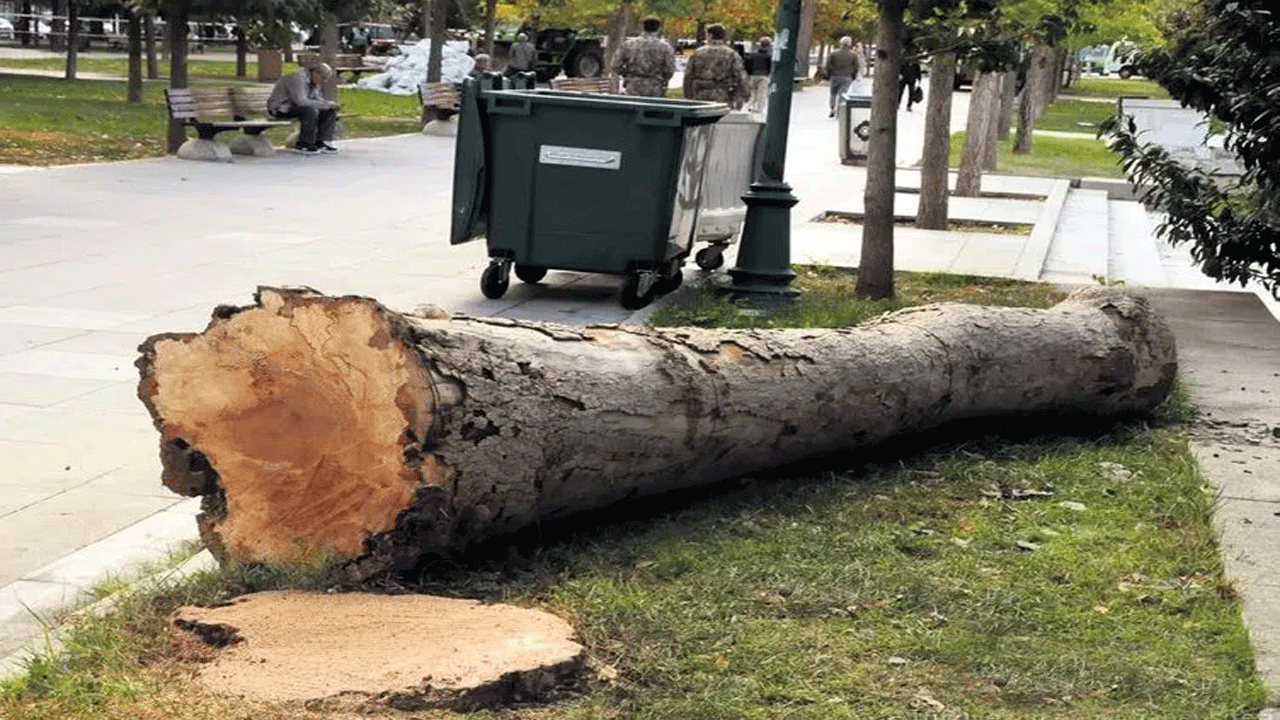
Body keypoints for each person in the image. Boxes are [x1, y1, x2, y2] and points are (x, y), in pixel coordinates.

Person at [268, 62, 341, 155]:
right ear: (315, 73)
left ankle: (321, 142)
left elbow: (316, 97)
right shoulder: (297, 78)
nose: (324, 81)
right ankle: (304, 144)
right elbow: (301, 101)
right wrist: (325, 104)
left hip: (298, 107)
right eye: (323, 77)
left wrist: (329, 104)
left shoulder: (314, 80)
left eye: (326, 78)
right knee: (309, 111)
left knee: (329, 110)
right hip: (281, 108)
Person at [682, 23, 750, 109]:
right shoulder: (731, 54)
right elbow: (740, 76)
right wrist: (744, 95)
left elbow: (688, 75)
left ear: (710, 35)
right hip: (722, 95)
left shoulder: (697, 53)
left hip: (699, 95)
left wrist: (688, 95)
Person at [612, 16, 676, 97]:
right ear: (658, 28)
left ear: (642, 27)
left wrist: (627, 74)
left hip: (633, 86)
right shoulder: (665, 47)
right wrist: (663, 80)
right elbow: (670, 69)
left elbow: (616, 65)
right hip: (655, 86)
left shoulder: (628, 44)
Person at [823, 36, 861, 117]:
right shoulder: (853, 55)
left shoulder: (834, 54)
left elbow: (828, 65)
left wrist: (829, 75)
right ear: (850, 44)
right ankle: (840, 110)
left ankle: (832, 109)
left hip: (835, 76)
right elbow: (856, 67)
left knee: (833, 93)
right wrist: (853, 76)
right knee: (843, 94)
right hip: (847, 77)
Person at [744, 36, 772, 115]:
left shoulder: (753, 54)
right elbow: (770, 66)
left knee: (753, 92)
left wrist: (749, 73)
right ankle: (759, 108)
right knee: (762, 93)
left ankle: (750, 106)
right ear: (769, 45)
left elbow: (748, 64)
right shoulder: (769, 55)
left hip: (753, 75)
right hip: (764, 75)